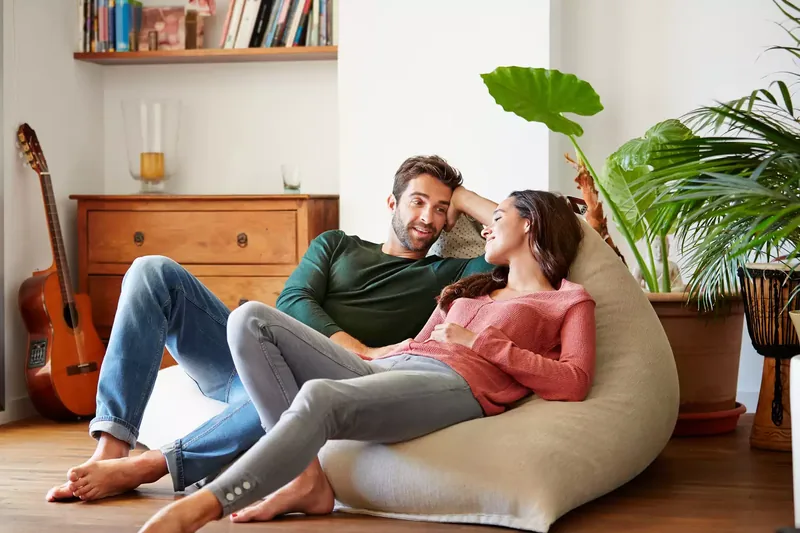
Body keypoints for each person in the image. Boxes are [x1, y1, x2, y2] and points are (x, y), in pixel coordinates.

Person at [135, 189, 597, 532]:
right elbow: (415, 343)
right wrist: (364, 354)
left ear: (531, 224)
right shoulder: (472, 287)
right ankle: (307, 479)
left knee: (319, 396)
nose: (485, 227)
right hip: (394, 368)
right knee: (249, 319)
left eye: (498, 218)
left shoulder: (568, 301)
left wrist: (484, 344)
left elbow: (574, 381)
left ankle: (202, 507)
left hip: (456, 383)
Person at [47, 155, 498, 504]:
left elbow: (519, 238)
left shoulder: (448, 274)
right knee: (151, 270)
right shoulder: (337, 244)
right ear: (392, 203)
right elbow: (293, 302)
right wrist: (360, 348)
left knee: (305, 386)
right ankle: (111, 444)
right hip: (244, 355)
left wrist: (460, 196)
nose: (427, 217)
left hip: (305, 380)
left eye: (441, 210)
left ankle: (153, 465)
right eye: (418, 201)